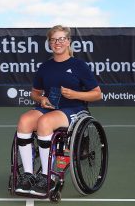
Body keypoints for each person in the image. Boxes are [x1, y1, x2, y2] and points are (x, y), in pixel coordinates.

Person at [15, 25, 102, 196]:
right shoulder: (45, 67)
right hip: (49, 107)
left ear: (69, 41)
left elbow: (97, 94)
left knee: (45, 122)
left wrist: (75, 94)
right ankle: (28, 175)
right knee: (24, 120)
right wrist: (41, 99)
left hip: (73, 109)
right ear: (49, 43)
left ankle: (47, 177)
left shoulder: (79, 65)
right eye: (54, 39)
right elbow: (35, 93)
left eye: (62, 39)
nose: (58, 42)